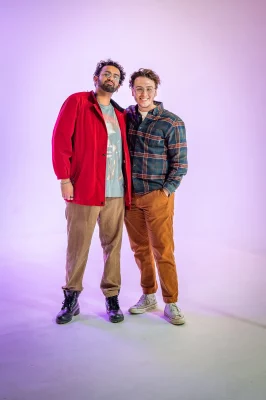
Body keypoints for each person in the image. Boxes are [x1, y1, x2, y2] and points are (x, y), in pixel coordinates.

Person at [52, 59, 131, 324]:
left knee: (113, 247)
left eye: (116, 76)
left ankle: (112, 297)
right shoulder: (77, 102)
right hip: (84, 190)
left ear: (119, 84)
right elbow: (60, 140)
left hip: (116, 192)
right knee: (78, 246)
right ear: (95, 77)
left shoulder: (121, 115)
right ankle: (71, 298)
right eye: (106, 73)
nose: (110, 77)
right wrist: (64, 178)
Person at [124, 68, 188, 325]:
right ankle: (148, 295)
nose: (144, 93)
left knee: (163, 250)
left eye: (149, 89)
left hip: (157, 195)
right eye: (139, 88)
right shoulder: (125, 117)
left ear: (156, 91)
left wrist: (165, 191)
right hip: (130, 197)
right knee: (139, 249)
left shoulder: (171, 122)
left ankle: (171, 302)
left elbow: (180, 164)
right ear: (132, 90)